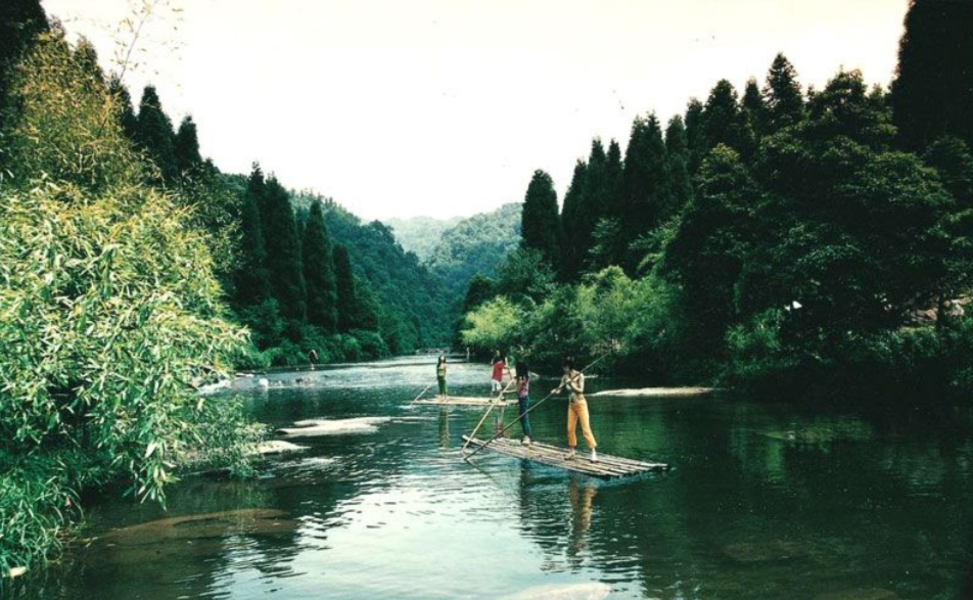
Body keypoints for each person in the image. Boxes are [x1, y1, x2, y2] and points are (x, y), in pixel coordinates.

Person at [552, 358, 597, 462]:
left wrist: (571, 383)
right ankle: (572, 451)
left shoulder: (580, 375)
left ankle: (593, 452)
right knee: (570, 429)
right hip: (571, 406)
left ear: (569, 367)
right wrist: (555, 391)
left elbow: (580, 390)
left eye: (564, 367)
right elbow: (559, 390)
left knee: (586, 429)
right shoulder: (564, 377)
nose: (563, 369)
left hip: (581, 404)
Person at [515, 360, 532, 445]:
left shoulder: (521, 378)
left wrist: (506, 392)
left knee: (524, 418)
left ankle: (527, 436)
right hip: (524, 399)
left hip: (523, 399)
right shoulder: (526, 376)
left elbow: (517, 390)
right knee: (522, 417)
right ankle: (526, 435)